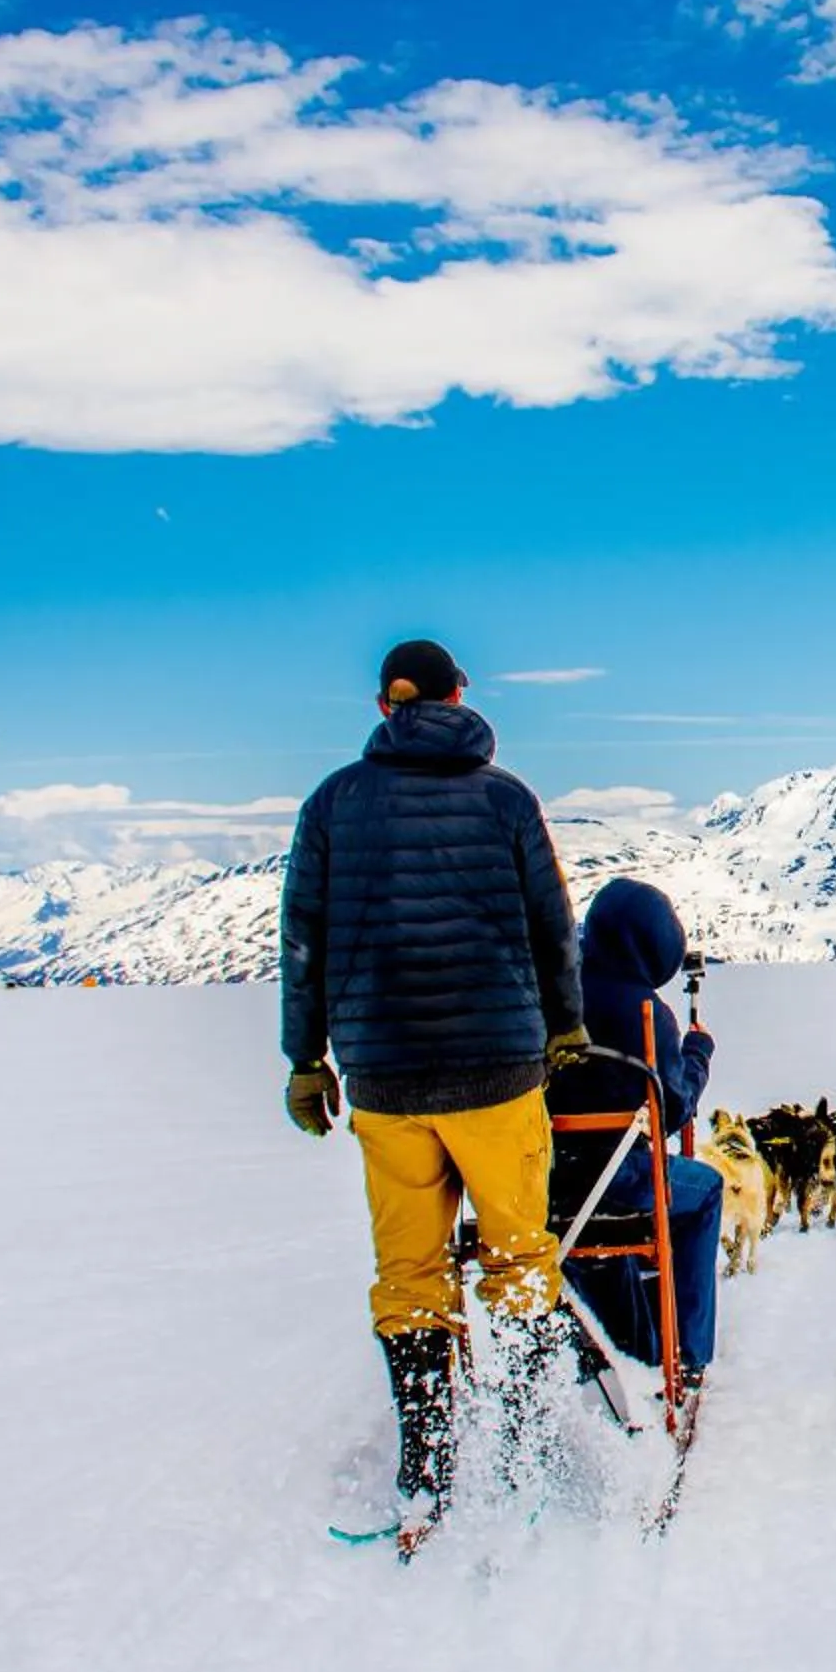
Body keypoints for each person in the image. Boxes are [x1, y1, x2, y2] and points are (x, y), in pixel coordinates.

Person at [278, 637, 590, 1542]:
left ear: (386, 706)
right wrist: (565, 1028)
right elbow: (552, 927)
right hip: (499, 1072)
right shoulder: (506, 799)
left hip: (385, 1078)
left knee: (409, 1276)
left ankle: (428, 1466)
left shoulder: (333, 804)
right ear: (462, 695)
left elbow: (302, 943)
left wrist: (307, 1060)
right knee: (519, 1256)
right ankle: (524, 1447)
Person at [560, 877, 723, 1388]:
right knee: (705, 1191)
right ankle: (689, 1352)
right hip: (620, 1181)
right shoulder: (648, 1014)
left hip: (541, 1180)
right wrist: (698, 1055)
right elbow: (673, 1110)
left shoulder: (547, 996)